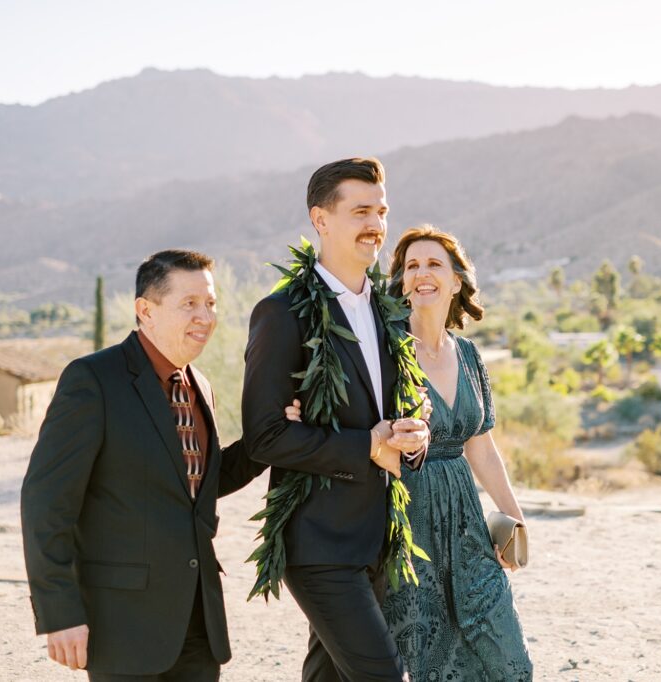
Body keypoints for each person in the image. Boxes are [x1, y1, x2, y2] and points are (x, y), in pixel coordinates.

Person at [21, 249, 300, 681]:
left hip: (198, 622)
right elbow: (46, 503)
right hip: (123, 625)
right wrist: (59, 613)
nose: (205, 317)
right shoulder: (93, 380)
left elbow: (200, 483)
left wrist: (268, 436)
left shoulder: (199, 385)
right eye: (188, 304)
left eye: (210, 304)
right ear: (145, 311)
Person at [242, 157, 430, 681]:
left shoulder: (389, 309)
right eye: (361, 211)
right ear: (320, 220)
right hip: (320, 542)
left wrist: (414, 435)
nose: (376, 224)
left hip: (377, 536)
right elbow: (265, 435)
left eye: (382, 211)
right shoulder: (282, 314)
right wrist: (366, 444)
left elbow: (395, 416)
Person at [381, 224, 534, 681]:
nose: (421, 273)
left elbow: (481, 446)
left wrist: (514, 518)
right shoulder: (387, 350)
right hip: (410, 521)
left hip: (468, 526)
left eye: (433, 264)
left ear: (456, 282)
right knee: (433, 663)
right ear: (401, 282)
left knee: (510, 660)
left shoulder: (468, 355)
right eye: (411, 266)